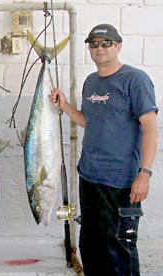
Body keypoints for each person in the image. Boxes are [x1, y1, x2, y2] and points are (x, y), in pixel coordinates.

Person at [50, 24, 158, 276]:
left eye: (106, 43)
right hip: (89, 178)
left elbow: (151, 129)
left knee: (119, 248)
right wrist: (65, 106)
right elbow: (89, 121)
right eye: (94, 44)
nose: (99, 48)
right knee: (91, 246)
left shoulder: (136, 80)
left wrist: (145, 173)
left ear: (118, 46)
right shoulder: (91, 82)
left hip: (120, 182)